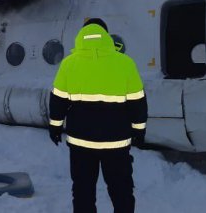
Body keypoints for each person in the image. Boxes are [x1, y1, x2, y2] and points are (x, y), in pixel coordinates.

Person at [49, 18, 147, 213]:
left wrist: (55, 126)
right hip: (116, 143)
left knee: (83, 191)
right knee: (121, 191)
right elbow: (138, 101)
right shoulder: (125, 63)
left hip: (80, 143)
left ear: (82, 36)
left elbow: (58, 100)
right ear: (106, 36)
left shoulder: (69, 64)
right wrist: (139, 130)